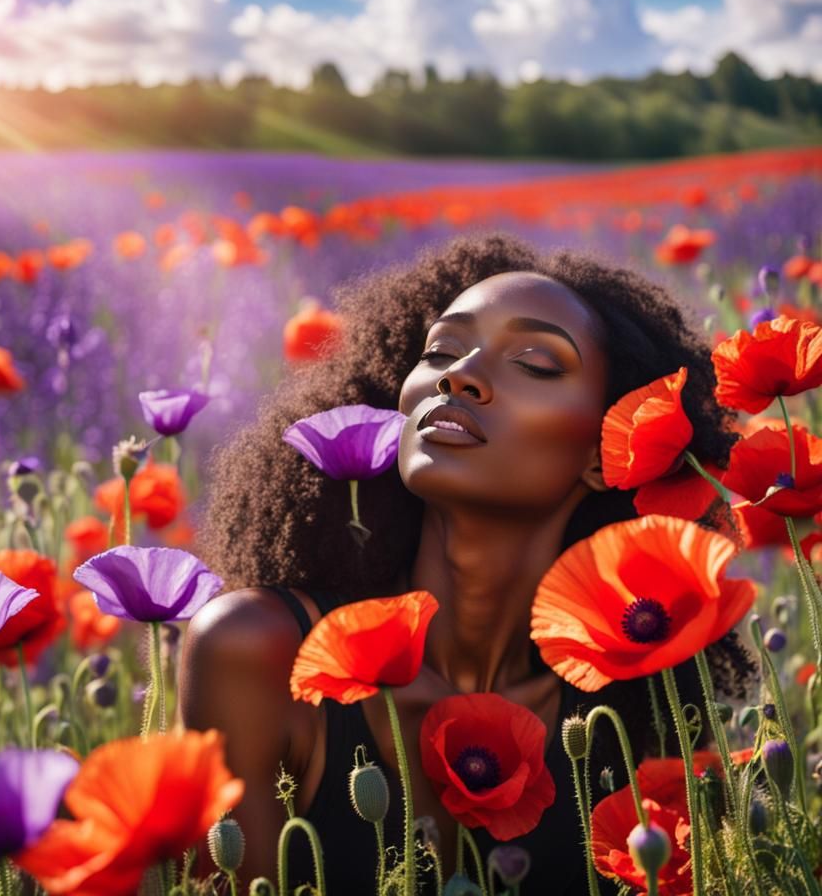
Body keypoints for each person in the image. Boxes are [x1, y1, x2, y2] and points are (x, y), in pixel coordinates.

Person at [180, 233, 754, 894]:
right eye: (440, 351)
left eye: (535, 362)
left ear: (606, 452)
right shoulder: (262, 652)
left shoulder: (629, 709)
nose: (458, 375)